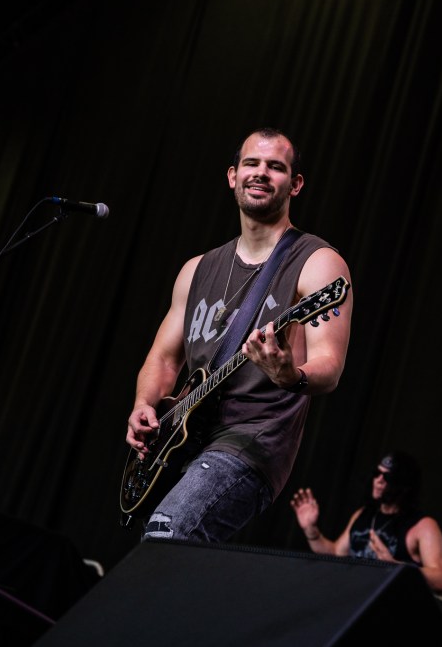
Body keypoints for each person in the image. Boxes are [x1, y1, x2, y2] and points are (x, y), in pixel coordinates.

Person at [125, 127, 353, 543]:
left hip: (251, 441)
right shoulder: (197, 269)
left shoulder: (318, 262)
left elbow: (330, 365)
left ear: (295, 184)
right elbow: (164, 359)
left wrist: (292, 375)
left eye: (275, 167)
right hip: (182, 441)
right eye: (251, 163)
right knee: (159, 558)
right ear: (233, 176)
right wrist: (144, 405)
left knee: (167, 534)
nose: (261, 172)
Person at [289, 450, 442, 592]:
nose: (378, 480)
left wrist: (395, 566)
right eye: (377, 473)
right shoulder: (363, 514)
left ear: (404, 484)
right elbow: (336, 554)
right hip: (356, 600)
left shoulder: (423, 526)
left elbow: (441, 580)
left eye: (387, 477)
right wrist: (311, 530)